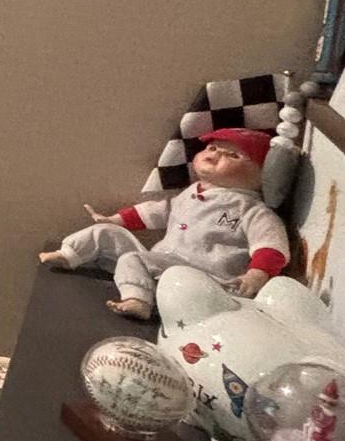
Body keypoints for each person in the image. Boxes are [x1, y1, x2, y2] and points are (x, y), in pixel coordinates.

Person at [39, 128, 288, 319]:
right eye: (212, 148)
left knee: (132, 261)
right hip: (161, 262)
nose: (216, 155)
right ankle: (68, 255)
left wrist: (257, 273)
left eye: (233, 155)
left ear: (260, 174)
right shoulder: (191, 193)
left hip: (201, 279)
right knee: (106, 233)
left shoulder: (251, 210)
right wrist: (115, 219)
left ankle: (139, 301)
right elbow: (160, 211)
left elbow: (270, 244)